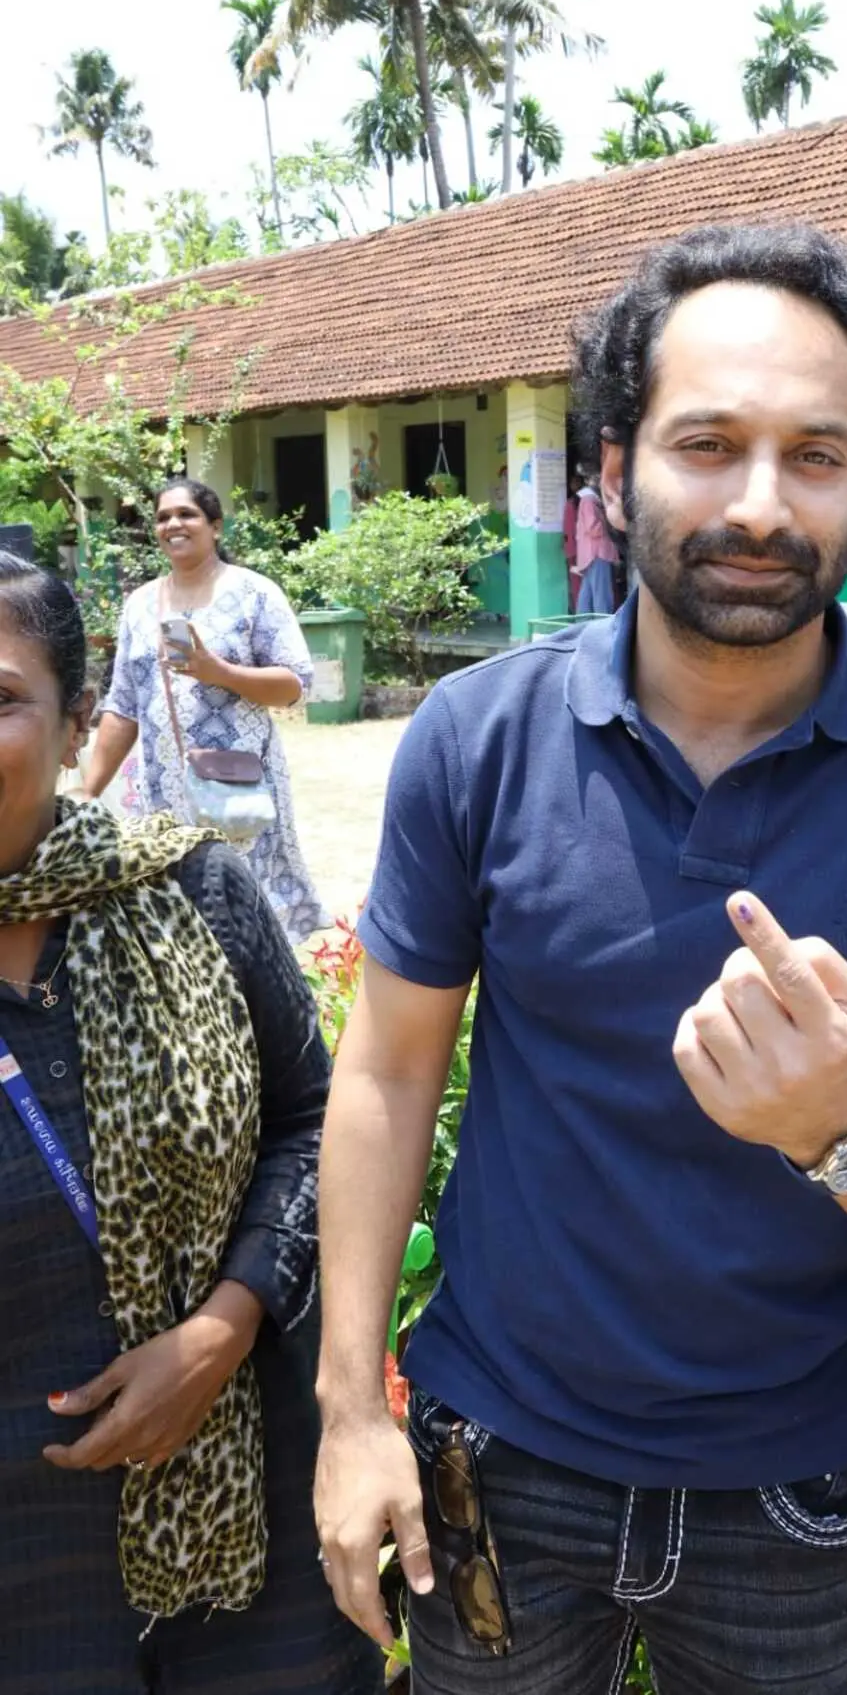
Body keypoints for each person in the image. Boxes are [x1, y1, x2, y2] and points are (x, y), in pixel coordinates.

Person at [312, 223, 847, 1693]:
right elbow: (389, 1073)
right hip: (496, 1460)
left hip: (800, 1491)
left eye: (817, 455)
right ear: (612, 464)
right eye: (708, 443)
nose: (762, 503)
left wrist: (843, 1130)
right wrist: (349, 1410)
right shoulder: (480, 739)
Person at [0, 552, 382, 1693]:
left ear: (78, 727)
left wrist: (222, 1327)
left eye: (0, 697)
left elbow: (318, 1124)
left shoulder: (199, 899)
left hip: (252, 1537)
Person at [81, 476, 327, 945]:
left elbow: (297, 685)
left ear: (215, 526)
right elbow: (124, 707)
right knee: (181, 922)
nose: (173, 524)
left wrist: (221, 672)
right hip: (164, 799)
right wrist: (89, 790)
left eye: (186, 514)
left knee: (247, 918)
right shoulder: (139, 605)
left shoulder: (254, 593)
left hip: (237, 791)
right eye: (162, 517)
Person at [573, 469, 620, 613]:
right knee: (602, 595)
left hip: (591, 555)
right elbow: (594, 529)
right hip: (597, 553)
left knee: (587, 594)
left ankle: (582, 626)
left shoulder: (589, 500)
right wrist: (609, 519)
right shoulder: (589, 501)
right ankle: (604, 628)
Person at [562, 469, 583, 610]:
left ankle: (579, 611)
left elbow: (568, 530)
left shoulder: (572, 503)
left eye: (576, 482)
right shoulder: (588, 501)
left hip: (575, 550)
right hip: (582, 549)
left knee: (577, 585)